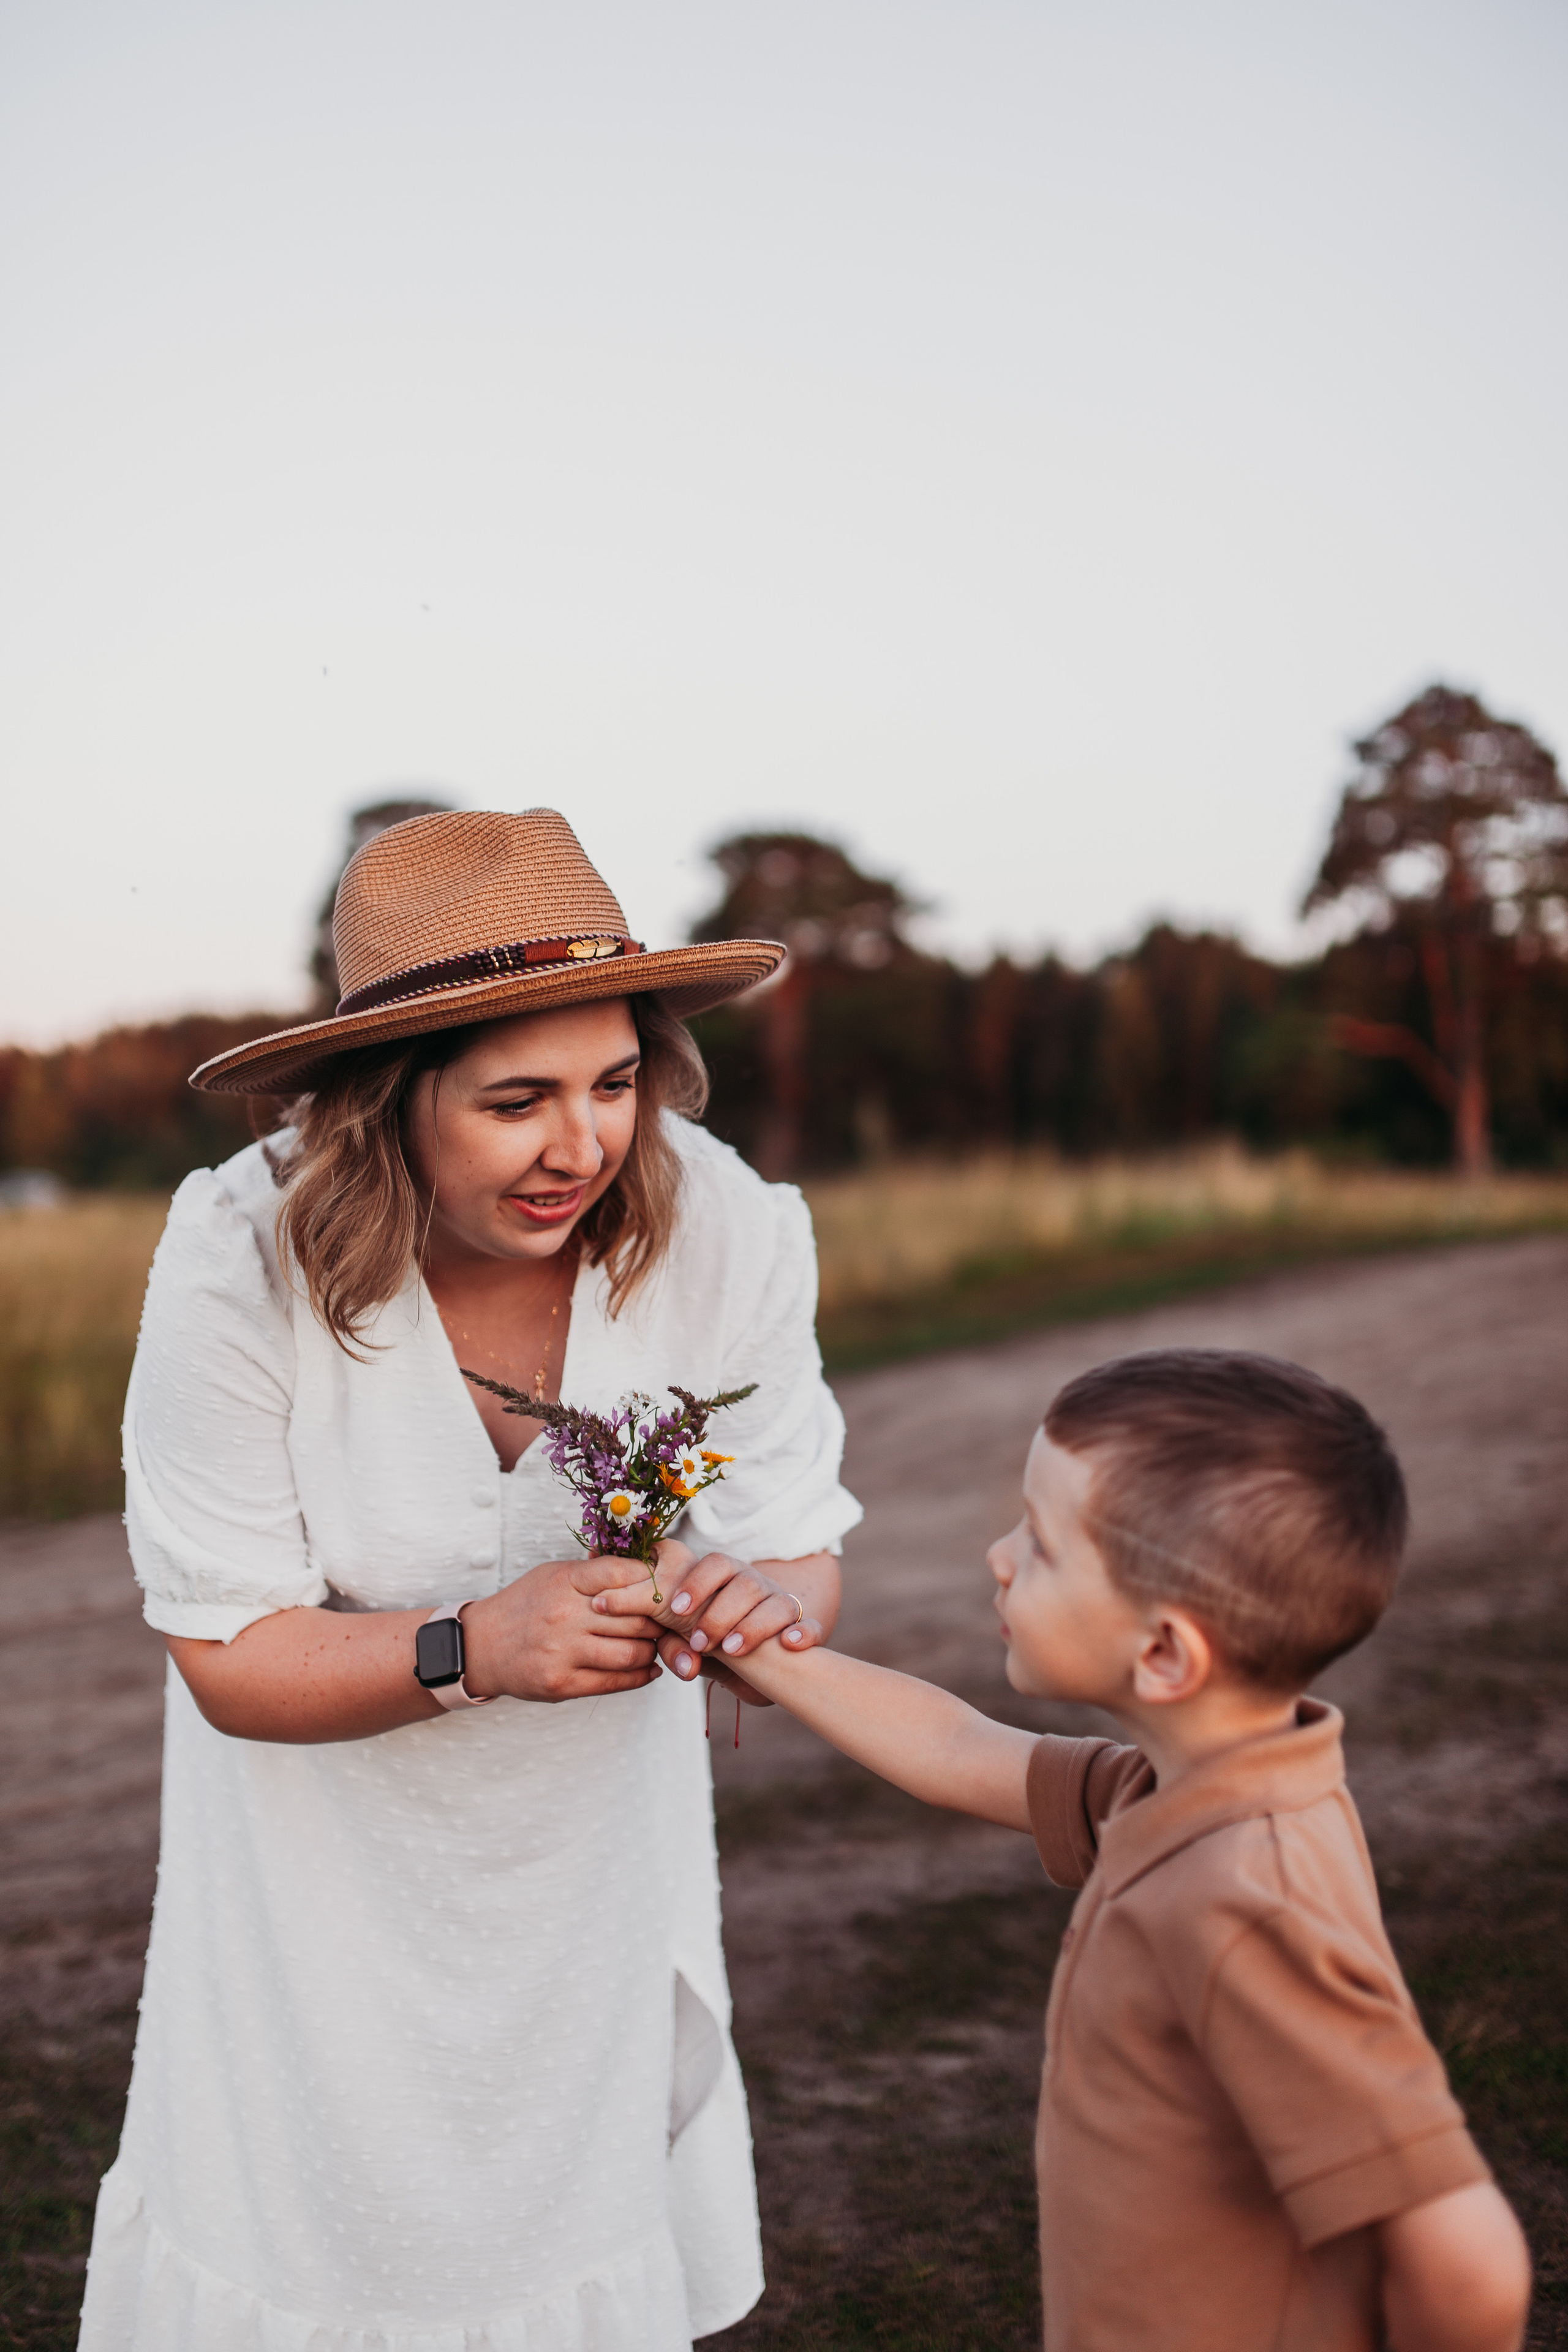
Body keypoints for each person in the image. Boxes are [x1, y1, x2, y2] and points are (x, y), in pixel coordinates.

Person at [79, 806, 862, 2352]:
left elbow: (791, 1547)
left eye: (615, 1083)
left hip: (591, 1883)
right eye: (517, 1101)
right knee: (311, 2243)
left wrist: (747, 1611)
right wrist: (470, 1649)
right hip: (312, 1908)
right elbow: (231, 1656)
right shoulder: (239, 1258)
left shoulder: (722, 1230)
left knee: (560, 2233)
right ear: (386, 1103)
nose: (583, 1146)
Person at [616, 1348, 1534, 2351]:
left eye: (1043, 1546)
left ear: (1166, 1654)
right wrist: (731, 1622)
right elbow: (960, 1750)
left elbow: (1470, 2261)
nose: (1000, 1557)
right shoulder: (1182, 1793)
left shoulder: (1246, 1900)